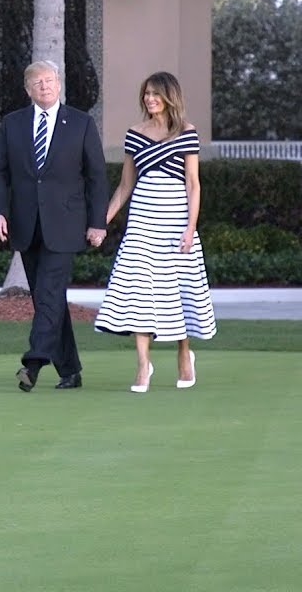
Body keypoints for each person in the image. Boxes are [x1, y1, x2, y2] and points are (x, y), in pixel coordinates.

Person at [0, 60, 109, 392]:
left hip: (67, 224)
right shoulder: (12, 124)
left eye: (50, 80)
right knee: (47, 299)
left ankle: (33, 363)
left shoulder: (81, 123)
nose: (44, 86)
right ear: (28, 89)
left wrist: (99, 223)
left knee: (50, 292)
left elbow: (97, 176)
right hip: (26, 226)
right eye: (37, 82)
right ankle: (70, 369)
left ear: (59, 84)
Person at [94, 71, 216, 392]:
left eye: (156, 94)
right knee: (138, 290)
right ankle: (142, 365)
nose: (150, 99)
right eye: (147, 93)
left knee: (178, 289)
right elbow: (125, 185)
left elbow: (193, 183)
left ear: (169, 97)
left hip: (175, 221)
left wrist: (190, 228)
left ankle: (184, 354)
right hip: (141, 221)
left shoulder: (187, 133)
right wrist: (101, 221)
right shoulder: (134, 134)